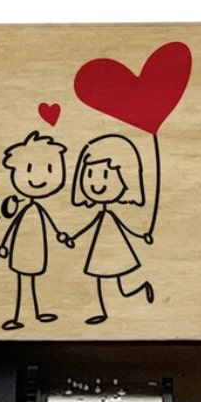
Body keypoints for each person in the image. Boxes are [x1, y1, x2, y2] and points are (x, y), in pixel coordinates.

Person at [71, 134, 154, 325]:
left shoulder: (111, 216)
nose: (96, 183)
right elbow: (90, 225)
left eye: (105, 175)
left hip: (116, 247)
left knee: (120, 286)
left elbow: (125, 227)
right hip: (101, 248)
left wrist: (142, 235)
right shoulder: (102, 214)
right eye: (89, 174)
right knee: (100, 278)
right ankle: (103, 311)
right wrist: (73, 237)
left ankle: (141, 287)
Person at [0, 131, 73, 330]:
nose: (38, 178)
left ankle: (38, 313)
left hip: (36, 250)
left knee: (33, 281)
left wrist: (61, 236)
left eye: (49, 168)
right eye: (29, 168)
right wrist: (4, 245)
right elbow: (13, 227)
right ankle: (17, 316)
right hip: (20, 250)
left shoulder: (38, 210)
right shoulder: (26, 210)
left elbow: (53, 226)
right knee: (21, 282)